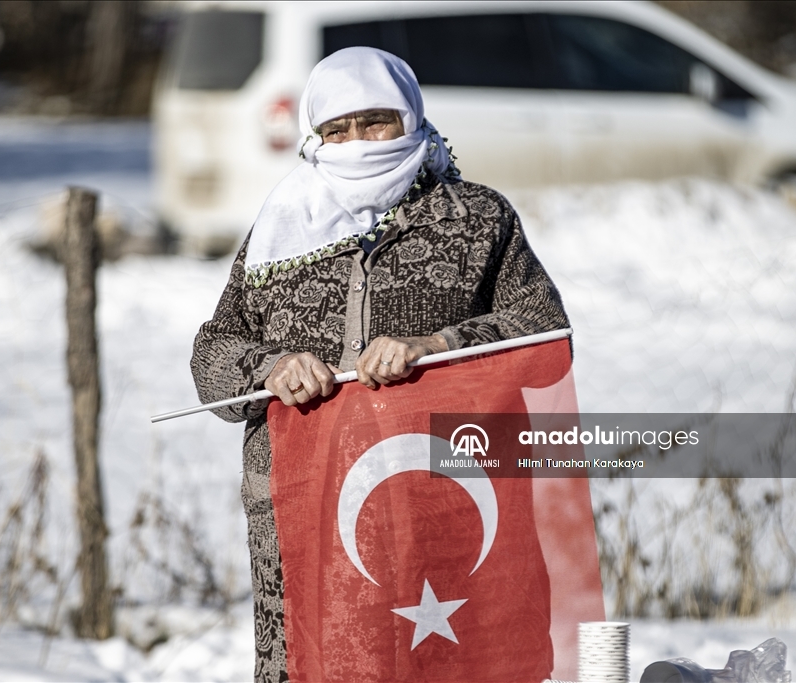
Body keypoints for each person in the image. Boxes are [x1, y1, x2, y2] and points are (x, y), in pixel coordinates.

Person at [191, 47, 569, 682]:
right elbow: (212, 359)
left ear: (413, 118)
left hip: (451, 506)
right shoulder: (279, 230)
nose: (357, 142)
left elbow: (546, 338)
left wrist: (437, 346)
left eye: (375, 122)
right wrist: (273, 369)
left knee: (456, 664)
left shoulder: (476, 219)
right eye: (336, 130)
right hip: (308, 515)